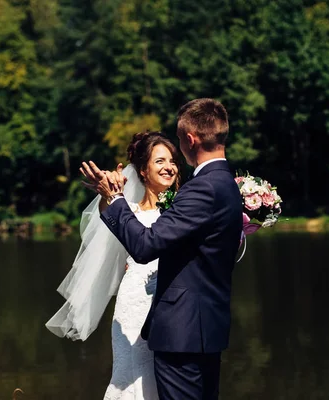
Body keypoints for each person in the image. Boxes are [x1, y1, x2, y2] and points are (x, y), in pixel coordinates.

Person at [81, 98, 243, 400]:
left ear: (190, 139)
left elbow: (144, 246)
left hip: (182, 333)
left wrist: (115, 199)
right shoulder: (227, 185)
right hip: (205, 330)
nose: (172, 162)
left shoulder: (201, 188)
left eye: (178, 144)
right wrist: (112, 200)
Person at [46, 131, 181, 399]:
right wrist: (109, 194)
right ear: (142, 171)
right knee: (131, 377)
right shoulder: (127, 209)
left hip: (173, 304)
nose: (169, 167)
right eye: (160, 161)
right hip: (134, 303)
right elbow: (108, 216)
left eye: (173, 161)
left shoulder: (186, 208)